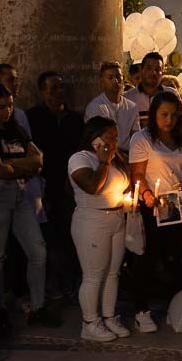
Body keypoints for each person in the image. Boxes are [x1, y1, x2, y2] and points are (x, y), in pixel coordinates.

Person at [0, 82, 50, 331]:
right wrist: (22, 165)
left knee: (38, 252)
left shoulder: (16, 129)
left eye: (9, 106)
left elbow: (38, 161)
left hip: (20, 194)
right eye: (0, 107)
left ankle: (38, 307)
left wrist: (11, 166)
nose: (6, 112)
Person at [129, 91, 182, 332]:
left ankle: (179, 304)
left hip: (181, 205)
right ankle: (141, 309)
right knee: (149, 256)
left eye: (173, 115)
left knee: (180, 253)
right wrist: (147, 195)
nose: (169, 120)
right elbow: (137, 174)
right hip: (155, 207)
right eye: (163, 114)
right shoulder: (143, 139)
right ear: (154, 114)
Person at [69, 116, 132, 342]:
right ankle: (90, 322)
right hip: (92, 222)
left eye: (116, 137)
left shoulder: (116, 158)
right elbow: (92, 187)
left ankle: (108, 316)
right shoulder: (80, 159)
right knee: (94, 275)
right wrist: (104, 161)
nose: (114, 142)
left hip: (116, 218)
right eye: (109, 137)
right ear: (94, 137)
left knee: (113, 273)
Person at [25, 71, 85, 300]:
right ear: (42, 92)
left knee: (70, 236)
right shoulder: (33, 118)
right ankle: (52, 286)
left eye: (61, 87)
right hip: (44, 187)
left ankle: (70, 283)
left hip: (70, 187)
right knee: (49, 239)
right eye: (53, 89)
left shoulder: (74, 119)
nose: (59, 93)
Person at [85, 61, 141, 153]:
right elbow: (94, 140)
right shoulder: (95, 107)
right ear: (102, 81)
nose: (115, 80)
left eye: (118, 77)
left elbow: (136, 136)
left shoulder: (132, 107)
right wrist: (110, 155)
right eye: (110, 77)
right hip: (104, 156)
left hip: (128, 156)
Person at [125, 52, 166, 128]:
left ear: (162, 73)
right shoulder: (128, 98)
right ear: (141, 70)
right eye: (149, 68)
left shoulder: (170, 94)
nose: (153, 72)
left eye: (157, 69)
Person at [0, 63, 31, 134]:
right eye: (11, 80)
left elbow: (28, 143)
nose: (17, 84)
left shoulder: (20, 115)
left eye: (16, 80)